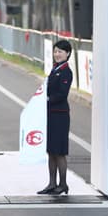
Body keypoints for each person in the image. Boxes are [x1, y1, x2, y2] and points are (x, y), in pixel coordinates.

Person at [37, 40, 73, 195]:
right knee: (51, 150)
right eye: (55, 51)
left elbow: (62, 94)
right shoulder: (55, 69)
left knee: (59, 152)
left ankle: (63, 184)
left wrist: (46, 99)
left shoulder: (66, 71)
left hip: (60, 115)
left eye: (60, 52)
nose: (57, 54)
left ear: (68, 54)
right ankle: (52, 183)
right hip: (50, 114)